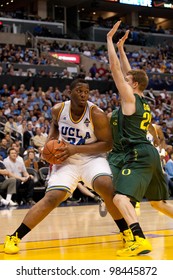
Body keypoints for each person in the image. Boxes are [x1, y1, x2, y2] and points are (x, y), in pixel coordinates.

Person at [3, 78, 125, 254]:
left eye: (86, 92)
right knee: (53, 197)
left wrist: (75, 148)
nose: (83, 94)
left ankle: (127, 233)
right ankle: (14, 237)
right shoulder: (58, 109)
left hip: (91, 158)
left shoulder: (96, 114)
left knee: (107, 187)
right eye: (79, 91)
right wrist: (50, 141)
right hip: (65, 159)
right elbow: (54, 124)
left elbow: (107, 144)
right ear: (70, 92)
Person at [107, 21, 173, 257]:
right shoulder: (142, 97)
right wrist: (123, 49)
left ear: (132, 84)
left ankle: (140, 240)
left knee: (120, 198)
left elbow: (116, 70)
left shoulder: (129, 99)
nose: (124, 81)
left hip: (138, 153)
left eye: (128, 80)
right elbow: (128, 73)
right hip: (152, 154)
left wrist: (109, 42)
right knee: (159, 203)